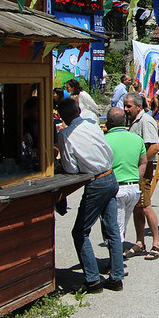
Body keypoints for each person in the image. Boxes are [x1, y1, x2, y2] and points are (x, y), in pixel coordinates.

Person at [55, 97, 124, 293]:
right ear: (78, 110)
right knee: (112, 230)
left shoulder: (66, 134)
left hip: (97, 181)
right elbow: (108, 152)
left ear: (61, 116)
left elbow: (70, 167)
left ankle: (93, 280)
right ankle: (116, 277)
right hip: (110, 175)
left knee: (80, 231)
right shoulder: (93, 125)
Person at [122, 92, 159, 261]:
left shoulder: (146, 121)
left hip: (143, 170)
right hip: (135, 169)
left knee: (145, 206)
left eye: (129, 106)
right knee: (137, 206)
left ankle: (157, 244)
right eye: (125, 106)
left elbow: (155, 146)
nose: (125, 109)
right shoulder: (133, 121)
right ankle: (140, 242)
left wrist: (141, 162)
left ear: (139, 107)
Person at [104, 108, 146, 244]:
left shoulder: (103, 140)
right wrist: (135, 178)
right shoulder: (137, 139)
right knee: (122, 225)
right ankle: (117, 256)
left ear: (107, 123)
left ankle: (116, 262)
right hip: (133, 188)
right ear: (124, 121)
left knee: (116, 229)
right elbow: (143, 162)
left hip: (116, 189)